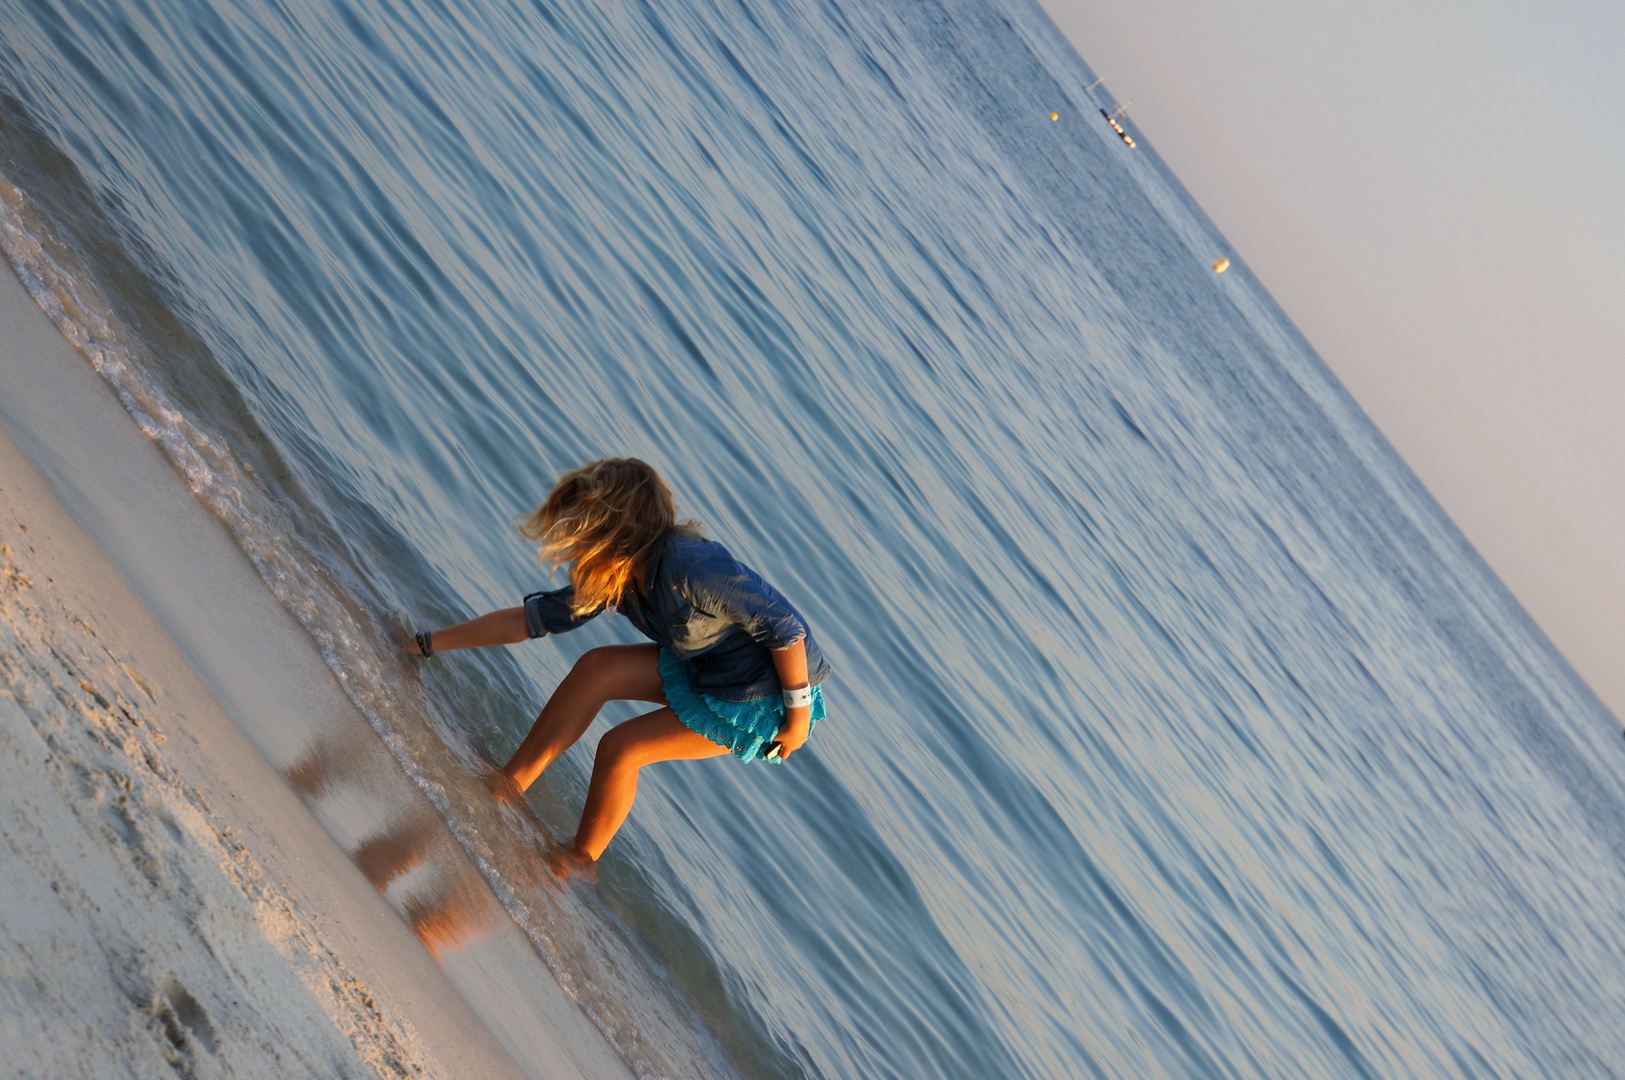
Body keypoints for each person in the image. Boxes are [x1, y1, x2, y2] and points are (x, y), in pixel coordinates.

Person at [410, 458, 830, 872]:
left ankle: (576, 862)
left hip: (764, 696)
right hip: (708, 664)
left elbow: (786, 628)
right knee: (597, 669)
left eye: (582, 528)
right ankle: (508, 786)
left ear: (616, 531)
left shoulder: (690, 566)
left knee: (621, 748)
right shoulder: (619, 576)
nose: (573, 543)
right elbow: (532, 620)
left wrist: (797, 720)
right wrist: (426, 644)